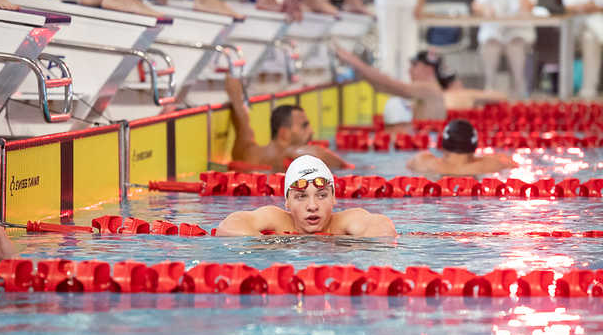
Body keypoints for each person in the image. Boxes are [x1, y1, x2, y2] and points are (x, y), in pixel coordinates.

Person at [216, 155, 397, 236]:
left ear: (334, 198)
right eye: (301, 196)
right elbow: (229, 226)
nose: (312, 206)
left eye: (321, 195)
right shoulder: (278, 220)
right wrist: (266, 244)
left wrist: (341, 244)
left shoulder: (344, 222)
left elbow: (384, 229)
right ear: (287, 201)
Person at [225, 76, 350, 172]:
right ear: (284, 133)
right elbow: (344, 166)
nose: (311, 131)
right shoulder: (299, 154)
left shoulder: (246, 152)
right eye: (304, 126)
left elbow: (242, 117)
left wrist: (232, 76)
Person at [335, 47, 449, 120]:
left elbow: (388, 82)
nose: (409, 70)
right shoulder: (426, 90)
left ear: (428, 69)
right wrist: (360, 71)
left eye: (414, 66)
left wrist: (352, 60)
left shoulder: (429, 88)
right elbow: (382, 87)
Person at [472, 0, 537, 99]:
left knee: (515, 47)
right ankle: (489, 89)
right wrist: (485, 9)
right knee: (490, 45)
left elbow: (529, 6)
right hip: (493, 32)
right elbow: (476, 5)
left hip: (518, 32)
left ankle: (520, 92)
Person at [406, 119, 517, 176]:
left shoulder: (424, 163)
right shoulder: (491, 164)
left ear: (443, 145)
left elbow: (409, 165)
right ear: (474, 146)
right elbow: (513, 164)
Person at [562, 0, 603, 99]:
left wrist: (581, 8)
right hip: (574, 27)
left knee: (589, 37)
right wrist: (588, 7)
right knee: (591, 32)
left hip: (594, 27)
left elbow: (600, 7)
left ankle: (588, 90)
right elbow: (568, 7)